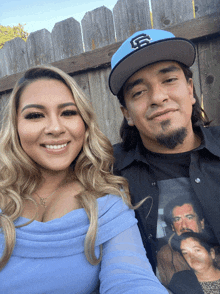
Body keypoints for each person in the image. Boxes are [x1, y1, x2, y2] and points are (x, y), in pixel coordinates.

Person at [0, 65, 168, 294]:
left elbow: (132, 280)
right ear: (16, 126)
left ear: (85, 123)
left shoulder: (107, 202)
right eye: (35, 115)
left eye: (68, 112)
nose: (55, 128)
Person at [109, 28, 220, 291]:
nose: (158, 97)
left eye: (169, 80)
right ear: (127, 113)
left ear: (190, 89)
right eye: (138, 92)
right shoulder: (107, 170)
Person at [157, 196, 206, 285]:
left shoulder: (215, 247)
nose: (184, 225)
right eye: (177, 219)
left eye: (189, 217)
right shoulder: (166, 254)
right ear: (172, 227)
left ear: (201, 223)